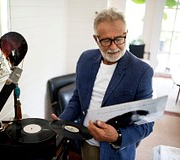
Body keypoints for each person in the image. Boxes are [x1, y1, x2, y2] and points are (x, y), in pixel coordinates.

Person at [51, 7, 154, 160]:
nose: (113, 47)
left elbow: (147, 123)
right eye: (106, 40)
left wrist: (117, 136)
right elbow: (78, 98)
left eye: (119, 39)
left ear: (126, 34)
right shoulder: (85, 59)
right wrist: (63, 120)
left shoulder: (142, 71)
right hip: (86, 142)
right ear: (96, 39)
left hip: (117, 152)